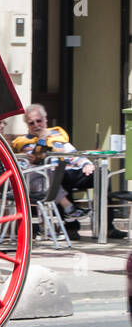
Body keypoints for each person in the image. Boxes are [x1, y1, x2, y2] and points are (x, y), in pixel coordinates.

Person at [12, 103, 128, 240]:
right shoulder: (25, 142)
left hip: (69, 170)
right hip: (49, 176)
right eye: (31, 123)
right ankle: (71, 227)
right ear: (27, 125)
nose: (36, 125)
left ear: (45, 120)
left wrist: (86, 164)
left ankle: (107, 227)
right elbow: (37, 157)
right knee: (59, 175)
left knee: (103, 174)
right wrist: (42, 138)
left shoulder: (57, 135)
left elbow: (72, 153)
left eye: (39, 121)